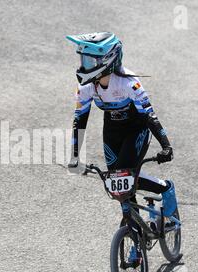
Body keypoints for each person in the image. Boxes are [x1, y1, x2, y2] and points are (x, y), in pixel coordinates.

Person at [66, 32, 178, 227]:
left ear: (106, 60)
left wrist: (166, 146)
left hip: (137, 129)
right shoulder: (85, 87)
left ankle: (165, 188)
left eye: (89, 60)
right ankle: (135, 236)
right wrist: (75, 156)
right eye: (82, 59)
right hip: (112, 132)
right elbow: (79, 120)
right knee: (117, 185)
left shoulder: (128, 83)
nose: (84, 65)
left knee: (124, 175)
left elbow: (150, 116)